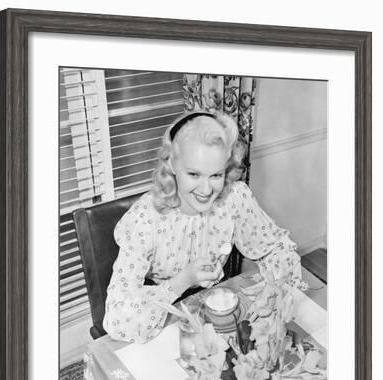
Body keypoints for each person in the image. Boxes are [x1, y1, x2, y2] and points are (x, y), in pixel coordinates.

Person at [103, 111, 302, 344]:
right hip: (162, 322)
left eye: (216, 174)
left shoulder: (234, 198)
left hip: (218, 318)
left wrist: (274, 289)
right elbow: (118, 320)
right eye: (194, 174)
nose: (206, 190)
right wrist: (183, 280)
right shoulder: (146, 219)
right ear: (171, 164)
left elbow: (277, 248)